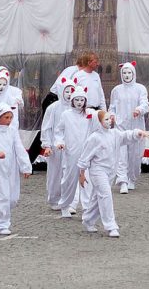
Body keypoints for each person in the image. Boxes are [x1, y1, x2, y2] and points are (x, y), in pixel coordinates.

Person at [78, 109, 149, 237]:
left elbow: (126, 135)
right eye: (106, 119)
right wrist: (82, 174)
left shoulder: (115, 134)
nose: (109, 121)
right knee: (106, 195)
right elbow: (84, 158)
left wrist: (138, 132)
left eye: (110, 118)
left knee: (98, 197)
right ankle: (111, 226)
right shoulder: (94, 138)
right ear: (98, 122)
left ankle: (88, 220)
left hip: (110, 171)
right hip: (97, 171)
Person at [0, 103, 32, 235]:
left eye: (10, 118)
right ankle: (2, 224)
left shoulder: (12, 132)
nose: (9, 121)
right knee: (2, 196)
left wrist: (26, 167)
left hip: (11, 167)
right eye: (6, 117)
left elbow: (19, 149)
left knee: (12, 198)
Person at [108, 61, 149, 193]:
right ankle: (122, 181)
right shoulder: (116, 90)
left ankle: (132, 178)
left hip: (136, 125)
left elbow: (145, 103)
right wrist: (112, 115)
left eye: (129, 72)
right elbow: (112, 107)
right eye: (124, 73)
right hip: (121, 126)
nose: (126, 75)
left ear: (133, 73)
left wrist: (139, 110)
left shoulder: (140, 89)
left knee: (135, 155)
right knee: (121, 154)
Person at [40, 75, 77, 210]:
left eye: (71, 91)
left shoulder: (77, 108)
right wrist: (47, 145)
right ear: (61, 91)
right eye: (66, 91)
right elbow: (46, 128)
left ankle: (70, 201)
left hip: (72, 147)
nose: (69, 94)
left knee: (71, 174)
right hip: (56, 148)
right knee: (55, 174)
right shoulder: (53, 108)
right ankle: (54, 198)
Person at [54, 85, 91, 218]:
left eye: (82, 100)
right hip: (70, 153)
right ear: (72, 101)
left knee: (87, 181)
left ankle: (87, 208)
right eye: (77, 100)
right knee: (68, 180)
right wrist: (60, 142)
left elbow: (100, 120)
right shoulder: (66, 115)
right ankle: (65, 205)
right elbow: (59, 131)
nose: (79, 103)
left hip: (86, 153)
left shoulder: (89, 114)